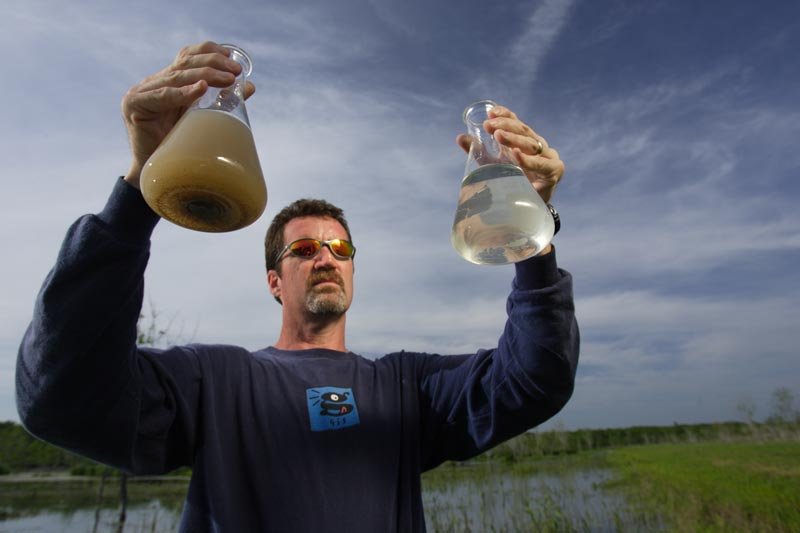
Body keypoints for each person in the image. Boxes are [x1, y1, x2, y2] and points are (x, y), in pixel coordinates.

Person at [16, 41, 579, 532]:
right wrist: (140, 187)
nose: (326, 260)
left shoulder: (410, 388)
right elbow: (60, 396)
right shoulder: (215, 381)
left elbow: (536, 378)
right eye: (305, 250)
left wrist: (532, 230)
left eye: (340, 250)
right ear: (274, 282)